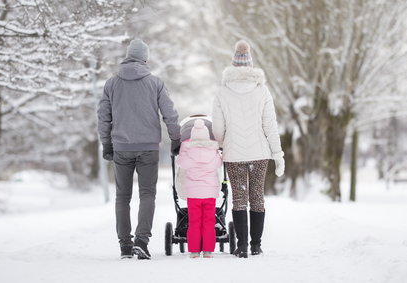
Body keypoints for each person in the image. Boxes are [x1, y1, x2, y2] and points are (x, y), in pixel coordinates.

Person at [97, 39, 181, 260]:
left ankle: (125, 246)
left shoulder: (111, 84)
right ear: (145, 58)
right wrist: (176, 139)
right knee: (147, 194)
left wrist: (106, 143)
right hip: (148, 148)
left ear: (127, 56)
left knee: (122, 196)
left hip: (121, 147)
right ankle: (141, 242)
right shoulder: (155, 83)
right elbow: (170, 114)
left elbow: (103, 117)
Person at [212, 40, 285, 258]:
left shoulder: (222, 92)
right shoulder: (262, 91)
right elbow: (270, 125)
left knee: (239, 198)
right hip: (260, 153)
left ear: (233, 66)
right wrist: (278, 154)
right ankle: (256, 245)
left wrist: (223, 144)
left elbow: (217, 128)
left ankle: (241, 246)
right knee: (257, 197)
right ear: (251, 66)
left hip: (234, 154)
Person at [176, 119, 222, 258]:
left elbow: (180, 162)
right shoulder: (213, 149)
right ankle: (207, 251)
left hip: (194, 194)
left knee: (194, 222)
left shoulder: (187, 149)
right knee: (209, 222)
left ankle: (195, 251)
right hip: (209, 193)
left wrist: (183, 150)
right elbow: (219, 163)